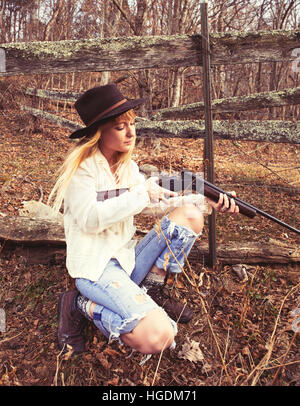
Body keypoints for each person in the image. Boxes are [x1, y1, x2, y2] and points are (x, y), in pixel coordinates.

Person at [49, 84, 239, 357]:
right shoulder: (83, 171)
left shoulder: (128, 167)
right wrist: (141, 194)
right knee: (159, 336)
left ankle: (151, 289)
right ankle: (79, 304)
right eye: (120, 127)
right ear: (98, 131)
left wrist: (206, 203)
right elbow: (90, 219)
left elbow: (156, 199)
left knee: (190, 216)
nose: (131, 132)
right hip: (95, 270)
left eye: (132, 124)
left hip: (127, 261)